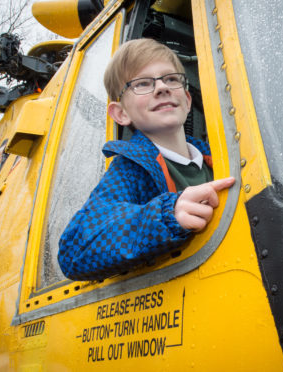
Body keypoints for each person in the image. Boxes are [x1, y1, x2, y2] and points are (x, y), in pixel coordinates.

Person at [58, 38, 235, 281]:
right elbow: (74, 251)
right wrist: (167, 215)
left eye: (171, 79)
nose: (162, 87)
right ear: (121, 114)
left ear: (187, 100)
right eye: (142, 84)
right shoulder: (132, 169)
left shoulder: (222, 156)